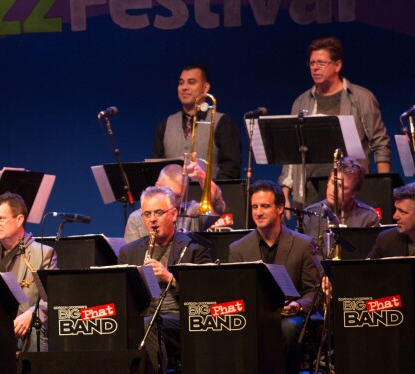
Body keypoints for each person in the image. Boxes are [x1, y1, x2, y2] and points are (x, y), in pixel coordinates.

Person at [279, 37, 391, 209]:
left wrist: (384, 188)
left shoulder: (361, 98)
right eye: (312, 63)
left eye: (321, 63)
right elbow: (293, 151)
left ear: (337, 65)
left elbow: (380, 144)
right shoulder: (301, 102)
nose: (315, 68)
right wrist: (285, 191)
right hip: (311, 190)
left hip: (349, 190)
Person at [228, 181, 320, 374]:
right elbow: (235, 294)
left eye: (265, 206)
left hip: (290, 316)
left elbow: (314, 291)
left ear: (279, 208)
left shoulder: (303, 244)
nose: (258, 212)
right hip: (254, 316)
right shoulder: (238, 248)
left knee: (286, 328)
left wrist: (297, 306)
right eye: (254, 207)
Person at [118, 186, 212, 374]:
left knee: (147, 324)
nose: (152, 219)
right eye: (146, 214)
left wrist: (170, 278)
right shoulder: (129, 252)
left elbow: (206, 297)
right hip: (145, 316)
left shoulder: (195, 248)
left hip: (182, 320)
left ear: (174, 214)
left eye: (159, 213)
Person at [0, 192, 57, 352]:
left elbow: (52, 299)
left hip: (22, 328)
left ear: (19, 220)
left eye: (1, 219)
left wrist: (33, 313)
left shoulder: (43, 253)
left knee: (34, 329)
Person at [151, 64, 242, 180]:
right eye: (181, 82)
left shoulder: (223, 122)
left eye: (191, 82)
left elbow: (231, 168)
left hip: (209, 196)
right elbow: (157, 168)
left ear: (205, 87)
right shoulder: (166, 124)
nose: (184, 87)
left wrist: (211, 193)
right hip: (174, 197)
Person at [124, 162, 226, 243]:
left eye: (179, 196)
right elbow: (133, 259)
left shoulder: (192, 212)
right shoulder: (136, 219)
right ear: (157, 186)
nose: (173, 201)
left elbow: (217, 207)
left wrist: (202, 177)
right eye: (170, 194)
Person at [300, 157, 379, 257]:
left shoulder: (368, 218)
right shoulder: (309, 214)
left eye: (342, 187)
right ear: (328, 181)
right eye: (333, 182)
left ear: (355, 192)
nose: (334, 190)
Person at [367, 182, 415, 258]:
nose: (395, 216)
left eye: (402, 212)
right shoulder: (386, 239)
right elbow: (366, 269)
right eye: (396, 210)